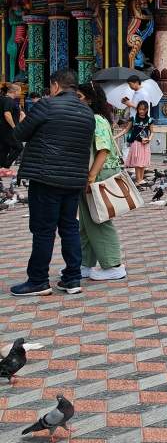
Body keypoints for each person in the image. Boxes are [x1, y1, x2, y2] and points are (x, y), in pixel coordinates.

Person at [10, 70, 95, 297]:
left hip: (46, 176)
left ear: (55, 86)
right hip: (74, 178)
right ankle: (72, 278)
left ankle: (38, 280)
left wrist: (21, 116)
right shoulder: (87, 112)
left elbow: (19, 134)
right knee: (69, 227)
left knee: (43, 230)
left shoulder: (46, 105)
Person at [76, 82, 128, 282]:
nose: (76, 100)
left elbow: (103, 150)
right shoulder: (96, 118)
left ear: (90, 99)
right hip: (94, 173)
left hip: (98, 174)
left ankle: (114, 265)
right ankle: (85, 264)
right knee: (87, 222)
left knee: (99, 220)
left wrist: (90, 177)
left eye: (79, 97)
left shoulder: (96, 119)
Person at [125, 100, 153, 184]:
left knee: (143, 162)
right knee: (137, 162)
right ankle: (138, 180)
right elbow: (126, 130)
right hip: (136, 143)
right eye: (139, 109)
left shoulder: (150, 120)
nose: (141, 111)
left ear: (147, 110)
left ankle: (141, 179)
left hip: (145, 143)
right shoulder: (133, 119)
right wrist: (115, 136)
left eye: (143, 109)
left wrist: (149, 139)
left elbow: (152, 132)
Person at [0, 83, 24, 168]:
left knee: (4, 149)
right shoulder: (9, 100)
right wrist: (14, 127)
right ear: (15, 91)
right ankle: (6, 165)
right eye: (20, 91)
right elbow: (7, 114)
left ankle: (2, 169)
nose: (21, 93)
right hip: (8, 130)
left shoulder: (2, 99)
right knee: (19, 147)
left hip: (2, 129)